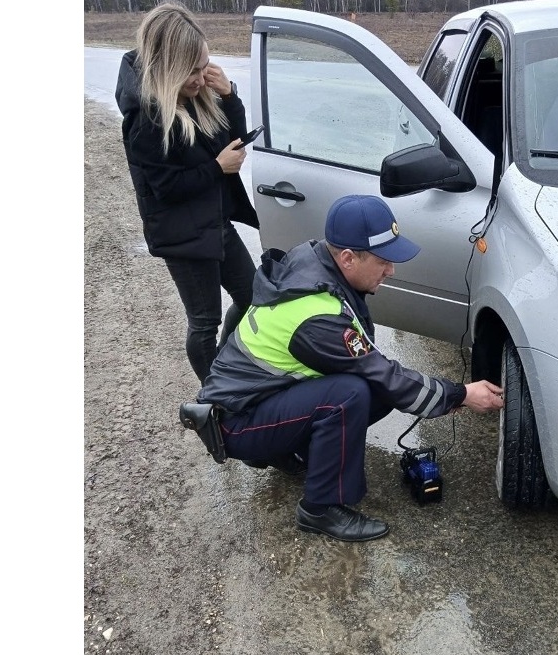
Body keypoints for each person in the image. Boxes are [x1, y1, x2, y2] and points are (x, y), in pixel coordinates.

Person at [194, 194, 505, 542]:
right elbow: (382, 374)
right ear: (347, 258)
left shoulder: (312, 259)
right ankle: (320, 508)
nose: (391, 270)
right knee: (351, 393)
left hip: (255, 399)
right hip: (235, 422)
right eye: (383, 261)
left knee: (372, 386)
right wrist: (460, 394)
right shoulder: (318, 318)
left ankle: (291, 450)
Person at [115, 0, 259, 384]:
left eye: (204, 66)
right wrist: (216, 168)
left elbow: (234, 139)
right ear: (169, 66)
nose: (200, 77)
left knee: (254, 295)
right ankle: (216, 399)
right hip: (181, 237)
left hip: (214, 222)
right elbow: (165, 189)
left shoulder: (193, 97)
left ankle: (228, 364)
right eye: (192, 70)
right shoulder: (145, 119)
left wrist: (228, 96)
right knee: (204, 322)